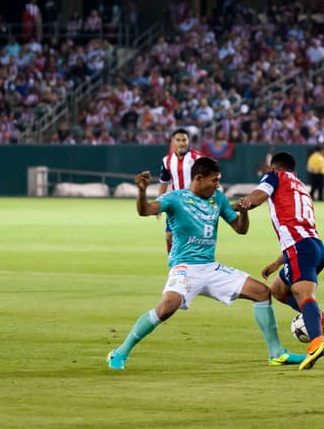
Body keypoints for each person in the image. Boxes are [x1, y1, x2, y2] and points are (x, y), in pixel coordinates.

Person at [107, 157, 298, 370]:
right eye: (214, 180)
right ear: (199, 178)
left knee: (262, 292)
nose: (218, 185)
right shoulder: (174, 199)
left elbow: (240, 229)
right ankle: (120, 352)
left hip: (211, 267)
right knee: (166, 308)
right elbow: (145, 210)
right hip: (185, 268)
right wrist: (142, 191)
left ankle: (276, 353)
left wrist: (243, 213)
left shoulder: (218, 198)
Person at [234, 152, 324, 370]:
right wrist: (277, 262)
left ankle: (316, 342)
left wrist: (231, 206)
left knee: (303, 295)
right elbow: (298, 226)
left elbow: (255, 199)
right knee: (279, 290)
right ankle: (321, 318)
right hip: (314, 247)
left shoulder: (274, 177)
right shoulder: (301, 187)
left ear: (274, 168)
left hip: (301, 249)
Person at [157, 128, 204, 253]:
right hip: (175, 204)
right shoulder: (166, 160)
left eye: (184, 140)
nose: (181, 143)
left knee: (193, 239)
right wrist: (158, 204)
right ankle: (173, 266)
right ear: (173, 142)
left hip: (194, 205)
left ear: (188, 141)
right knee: (169, 237)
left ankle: (193, 267)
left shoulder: (198, 158)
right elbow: (164, 182)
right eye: (178, 140)